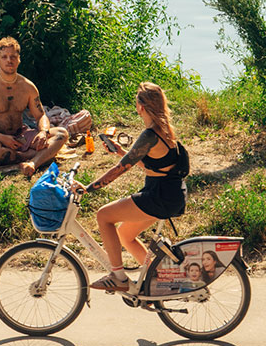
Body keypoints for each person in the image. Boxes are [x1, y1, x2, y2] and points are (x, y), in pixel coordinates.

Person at [80, 81, 187, 293]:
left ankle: (118, 277)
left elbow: (121, 169)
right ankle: (158, 279)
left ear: (141, 107)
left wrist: (88, 188)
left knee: (103, 216)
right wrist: (121, 151)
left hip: (157, 196)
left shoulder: (150, 134)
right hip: (168, 195)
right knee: (125, 235)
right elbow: (151, 164)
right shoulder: (164, 132)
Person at [0, 37, 68, 178]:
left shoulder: (27, 86)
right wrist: (3, 139)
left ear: (19, 59)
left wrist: (43, 132)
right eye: (4, 57)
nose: (9, 60)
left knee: (61, 134)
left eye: (13, 57)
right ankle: (31, 155)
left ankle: (32, 163)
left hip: (20, 136)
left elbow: (41, 115)